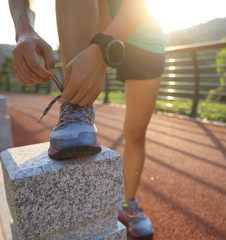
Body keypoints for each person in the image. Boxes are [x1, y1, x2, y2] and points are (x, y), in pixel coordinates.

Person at [8, 0, 165, 239]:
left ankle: (128, 204)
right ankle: (78, 108)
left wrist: (102, 47)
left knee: (136, 132)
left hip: (144, 29)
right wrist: (23, 29)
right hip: (94, 16)